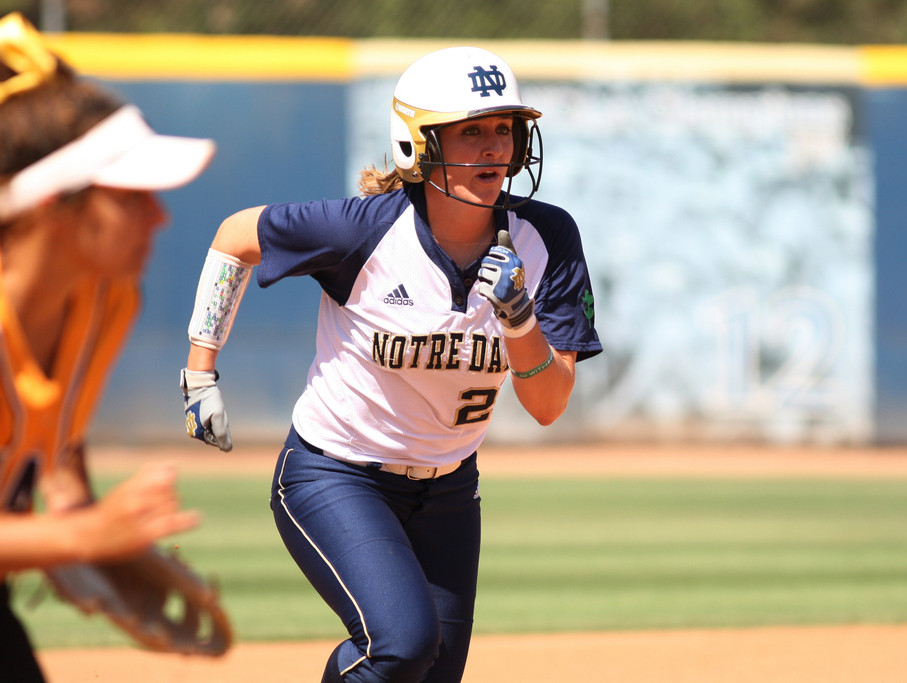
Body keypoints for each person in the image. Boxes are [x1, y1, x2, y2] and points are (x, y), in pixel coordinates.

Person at [180, 45, 601, 682]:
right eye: (471, 131)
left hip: (451, 490)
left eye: (504, 129)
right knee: (400, 645)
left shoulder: (549, 239)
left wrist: (520, 321)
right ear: (418, 146)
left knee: (429, 673)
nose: (494, 147)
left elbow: (548, 404)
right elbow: (237, 235)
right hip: (335, 474)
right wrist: (199, 370)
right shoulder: (363, 232)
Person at [0, 12, 216, 681]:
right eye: (130, 193)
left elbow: (54, 452)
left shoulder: (102, 300)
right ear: (50, 205)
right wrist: (79, 538)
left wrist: (83, 537)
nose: (159, 215)